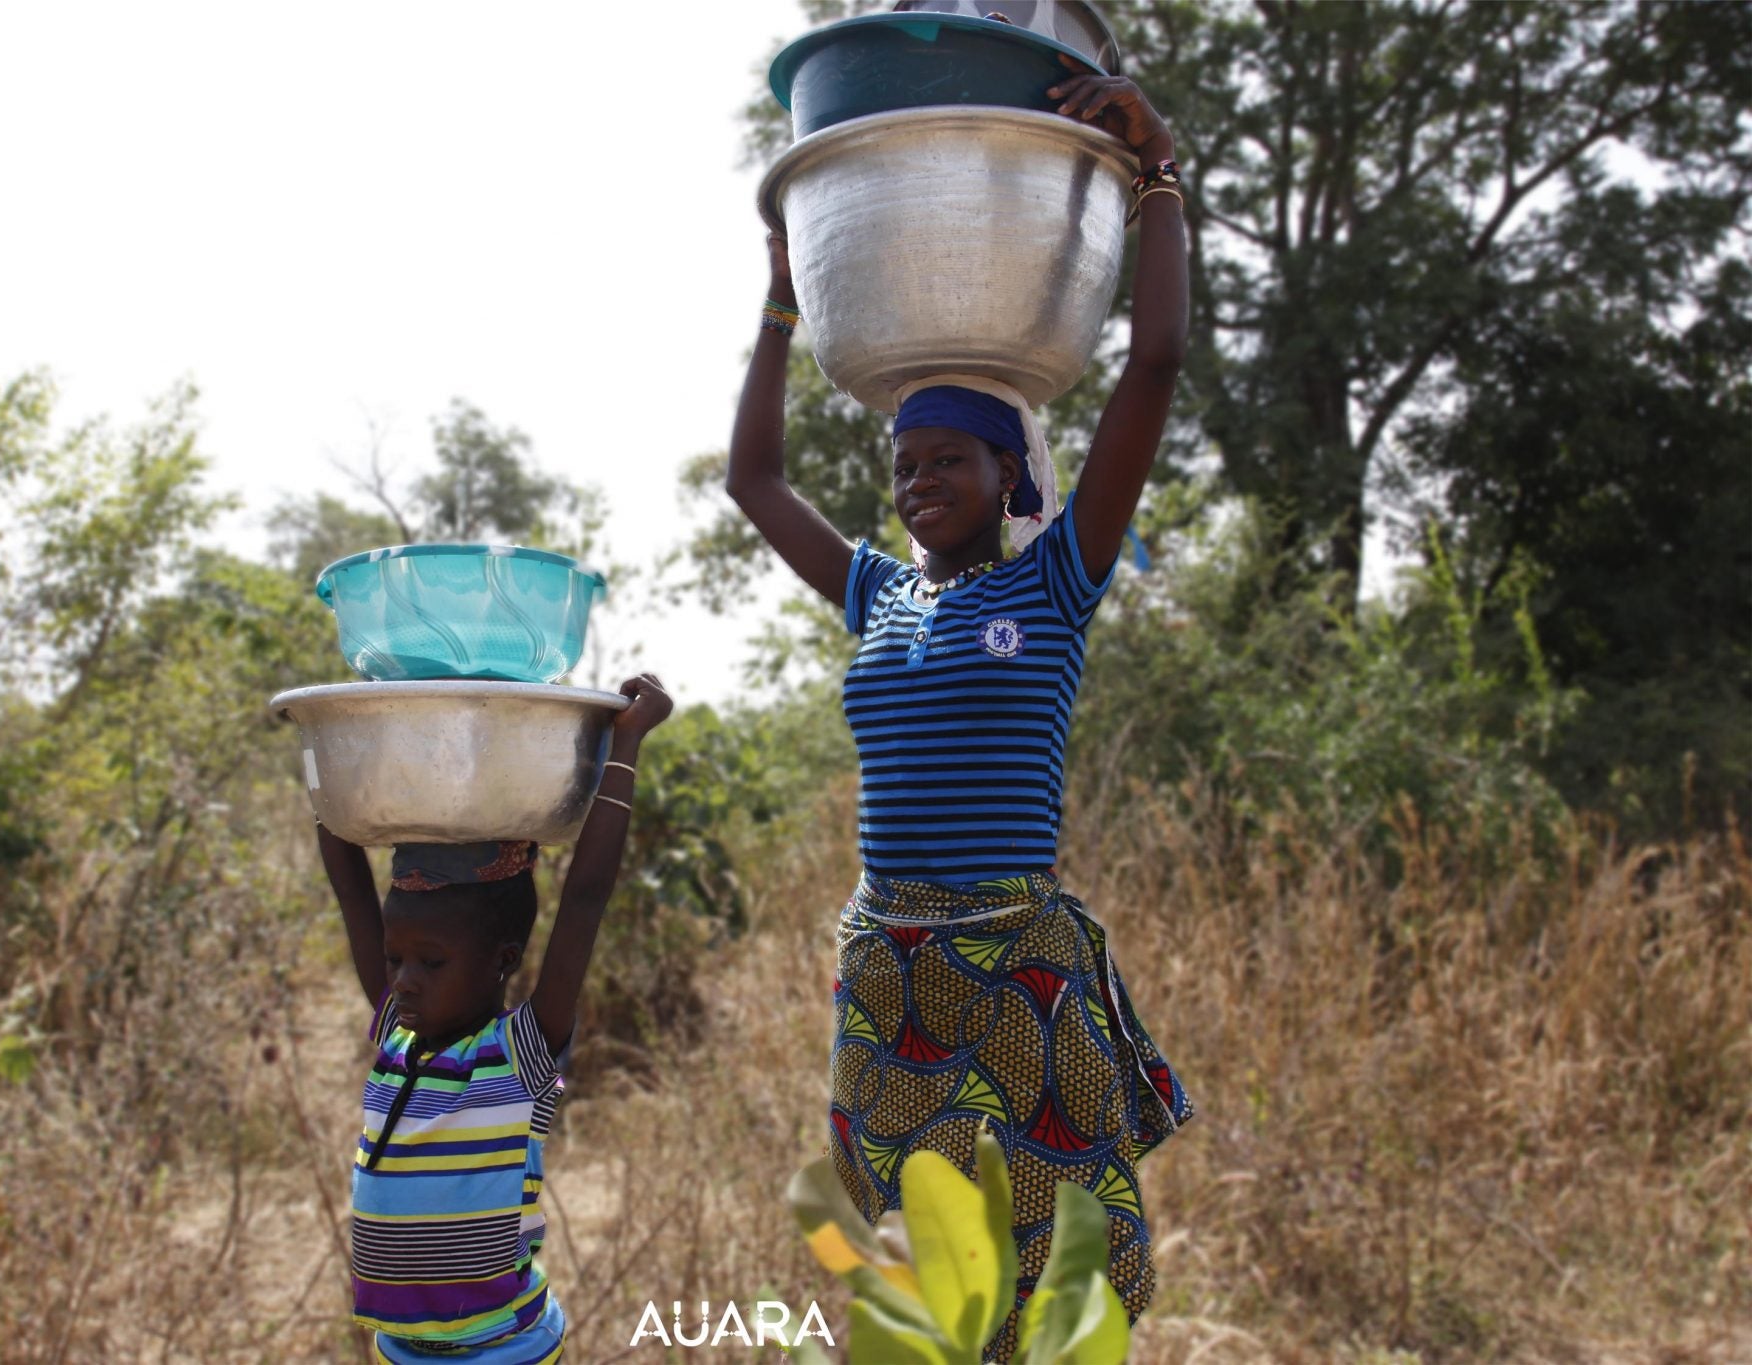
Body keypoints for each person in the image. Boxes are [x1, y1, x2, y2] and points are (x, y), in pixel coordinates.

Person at [727, 67, 1193, 1349]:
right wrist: (779, 295)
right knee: (919, 1254)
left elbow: (1153, 361)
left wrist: (1158, 181)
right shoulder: (872, 594)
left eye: (947, 460)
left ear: (1005, 476)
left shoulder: (1056, 578)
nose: (917, 480)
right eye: (903, 464)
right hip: (891, 963)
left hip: (1016, 958)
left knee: (1058, 1270)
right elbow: (751, 477)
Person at [315, 674, 674, 1365]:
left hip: (503, 1349)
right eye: (395, 958)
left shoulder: (519, 1056)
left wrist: (626, 746)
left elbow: (587, 898)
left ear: (502, 959)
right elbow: (349, 887)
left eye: (431, 961)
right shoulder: (396, 1029)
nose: (403, 978)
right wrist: (325, 752)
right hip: (400, 1349)